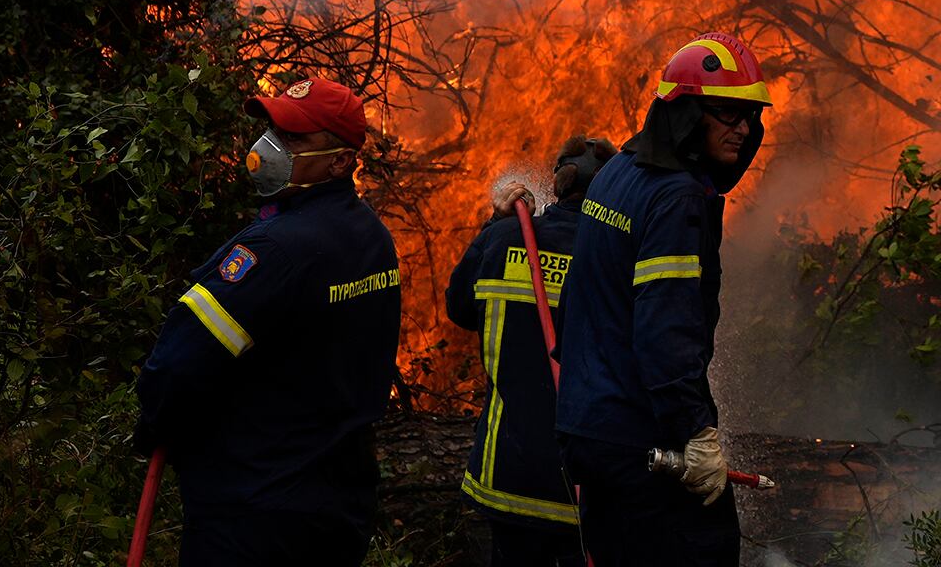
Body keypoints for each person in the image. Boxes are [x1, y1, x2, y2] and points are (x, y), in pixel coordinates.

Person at [135, 77, 401, 567]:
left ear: (341, 160)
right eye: (275, 130)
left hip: (254, 514)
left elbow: (177, 366)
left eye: (295, 139)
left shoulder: (273, 252)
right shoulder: (372, 236)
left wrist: (154, 424)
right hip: (339, 506)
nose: (269, 148)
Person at [555, 32, 770, 567]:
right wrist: (694, 431)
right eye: (727, 114)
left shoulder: (620, 173)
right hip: (643, 439)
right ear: (686, 113)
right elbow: (665, 330)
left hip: (593, 429)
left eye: (750, 116)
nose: (742, 130)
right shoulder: (675, 197)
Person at [446, 135, 618, 564]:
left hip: (507, 477)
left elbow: (460, 309)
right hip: (587, 486)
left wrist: (493, 223)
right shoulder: (618, 254)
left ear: (558, 184)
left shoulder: (504, 239)